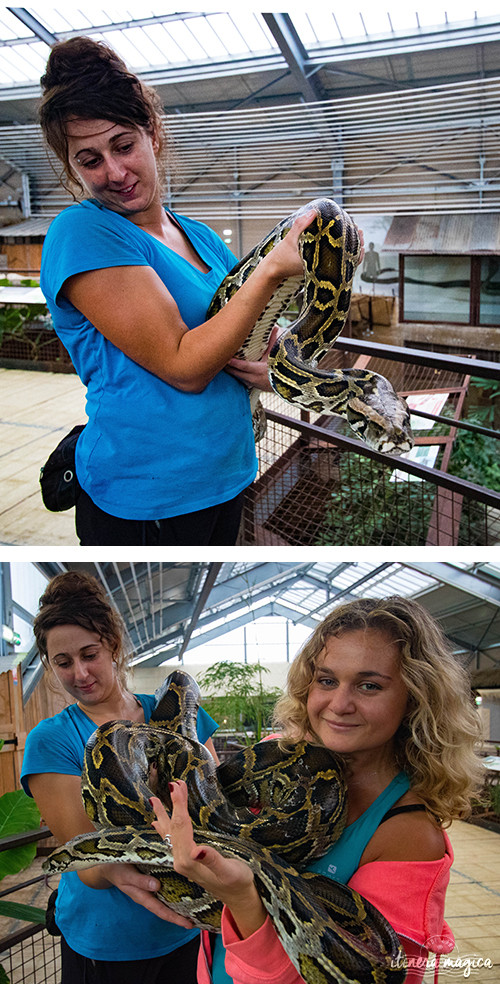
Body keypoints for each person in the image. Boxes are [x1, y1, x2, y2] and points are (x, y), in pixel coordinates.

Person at [38, 36, 317, 546]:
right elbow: (184, 366)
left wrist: (274, 360)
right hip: (145, 497)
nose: (115, 173)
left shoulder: (202, 237)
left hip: (226, 475)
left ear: (154, 134)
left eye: (123, 145)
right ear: (71, 166)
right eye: (90, 160)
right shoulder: (83, 233)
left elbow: (248, 328)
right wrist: (275, 269)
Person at [151, 596, 483, 984]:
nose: (339, 704)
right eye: (327, 680)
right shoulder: (279, 753)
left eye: (369, 685)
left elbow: (376, 974)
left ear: (415, 698)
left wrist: (242, 898)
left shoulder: (409, 834)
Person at [21, 570, 218, 984]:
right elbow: (89, 864)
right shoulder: (52, 739)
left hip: (189, 933)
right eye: (63, 662)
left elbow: (214, 807)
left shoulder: (176, 709)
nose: (80, 673)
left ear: (112, 646)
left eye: (89, 654)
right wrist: (131, 869)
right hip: (107, 942)